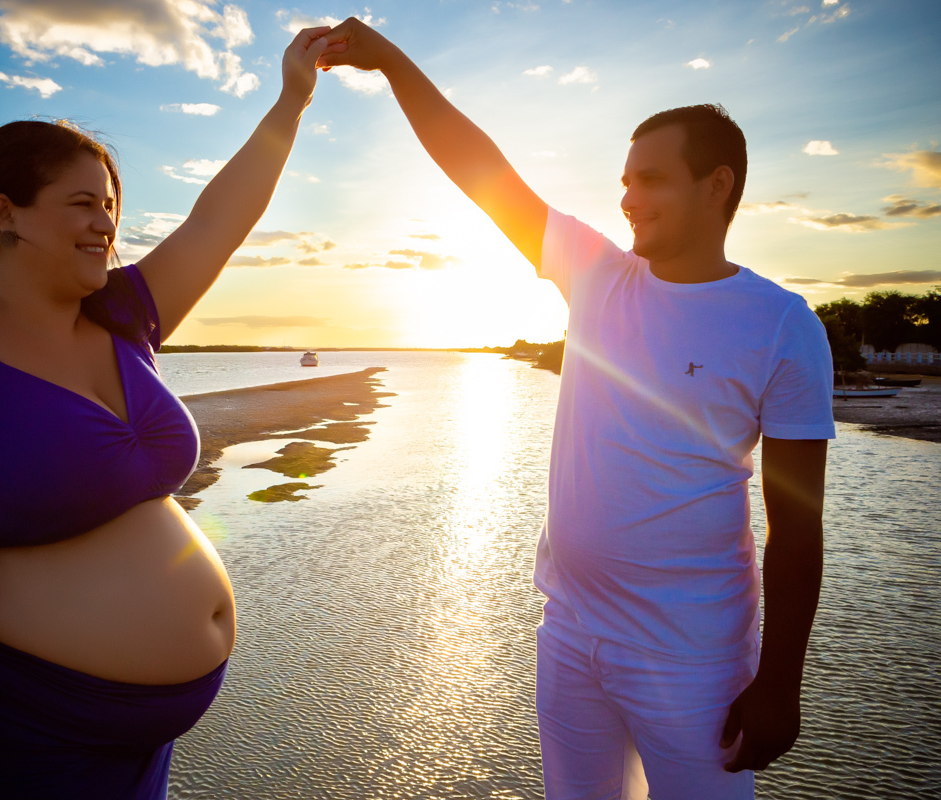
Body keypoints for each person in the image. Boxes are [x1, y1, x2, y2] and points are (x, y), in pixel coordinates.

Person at [319, 19, 833, 799]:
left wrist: (781, 683)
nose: (627, 197)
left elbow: (797, 524)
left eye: (651, 179)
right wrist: (390, 63)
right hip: (570, 636)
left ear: (717, 185)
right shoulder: (598, 274)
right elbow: (478, 169)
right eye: (625, 179)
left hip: (690, 657)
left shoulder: (781, 324)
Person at [0, 27, 340, 800]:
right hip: (22, 730)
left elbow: (217, 221)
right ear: (6, 214)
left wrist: (292, 99)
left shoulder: (124, 318)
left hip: (143, 745)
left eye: (110, 206)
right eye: (82, 205)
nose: (106, 223)